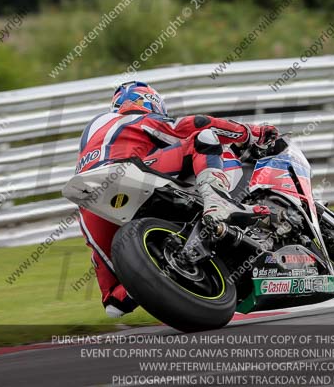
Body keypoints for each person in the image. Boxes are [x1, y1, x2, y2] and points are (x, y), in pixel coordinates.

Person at [75, 81, 278, 318]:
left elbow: (112, 309)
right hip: (127, 171)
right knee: (204, 137)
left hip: (88, 200)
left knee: (114, 301)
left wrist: (146, 279)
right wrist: (251, 133)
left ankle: (159, 271)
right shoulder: (135, 117)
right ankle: (217, 200)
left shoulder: (95, 138)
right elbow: (196, 124)